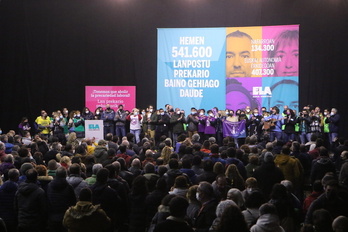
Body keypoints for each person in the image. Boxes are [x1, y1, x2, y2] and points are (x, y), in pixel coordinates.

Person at [46, 167, 76, 232]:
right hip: (65, 217)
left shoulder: (49, 186)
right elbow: (73, 202)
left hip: (52, 217)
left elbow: (47, 200)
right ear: (65, 175)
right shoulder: (69, 187)